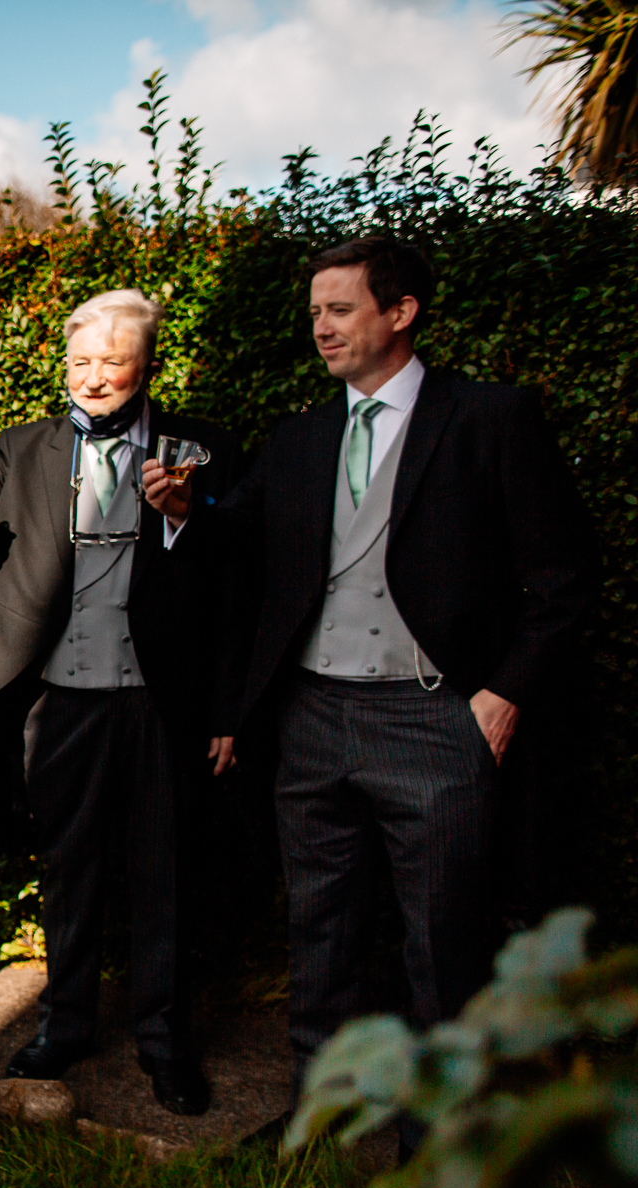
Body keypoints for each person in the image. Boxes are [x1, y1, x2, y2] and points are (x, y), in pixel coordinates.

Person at [160, 238, 597, 1116]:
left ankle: (438, 1135)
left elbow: (567, 581)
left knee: (443, 940)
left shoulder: (488, 418)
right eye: (315, 311)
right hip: (313, 718)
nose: (320, 327)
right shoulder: (300, 437)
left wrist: (501, 695)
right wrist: (183, 509)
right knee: (319, 929)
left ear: (401, 313)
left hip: (438, 721)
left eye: (340, 309)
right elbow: (236, 546)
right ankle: (318, 1111)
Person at [0, 289, 233, 1116]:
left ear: (147, 364)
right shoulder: (27, 448)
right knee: (70, 870)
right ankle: (65, 1026)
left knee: (164, 873)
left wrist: (187, 514)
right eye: (81, 361)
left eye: (111, 360)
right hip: (60, 699)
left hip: (158, 702)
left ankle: (165, 1042)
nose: (93, 377)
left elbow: (238, 568)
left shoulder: (195, 449)